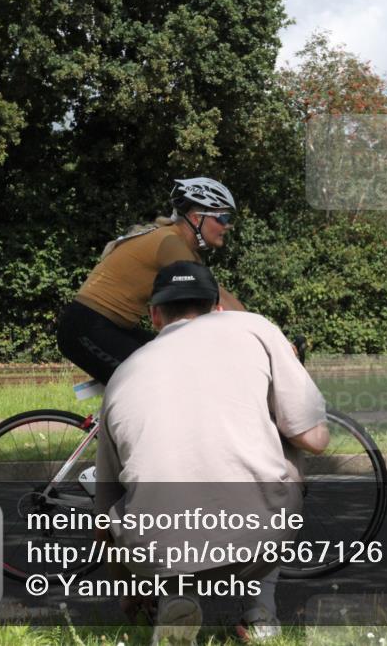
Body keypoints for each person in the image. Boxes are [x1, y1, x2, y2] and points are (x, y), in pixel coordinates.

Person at [94, 261, 330, 645]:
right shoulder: (254, 327)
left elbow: (105, 509)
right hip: (256, 541)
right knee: (287, 437)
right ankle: (260, 615)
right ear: (218, 307)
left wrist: (131, 584)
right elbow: (312, 438)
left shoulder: (122, 375)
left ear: (154, 316)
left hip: (157, 554)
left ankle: (175, 596)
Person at [57, 177, 245, 385]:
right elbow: (219, 299)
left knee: (175, 361)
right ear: (195, 217)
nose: (227, 226)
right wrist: (266, 339)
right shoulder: (170, 242)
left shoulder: (175, 242)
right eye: (223, 218)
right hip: (87, 327)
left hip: (111, 327)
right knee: (152, 381)